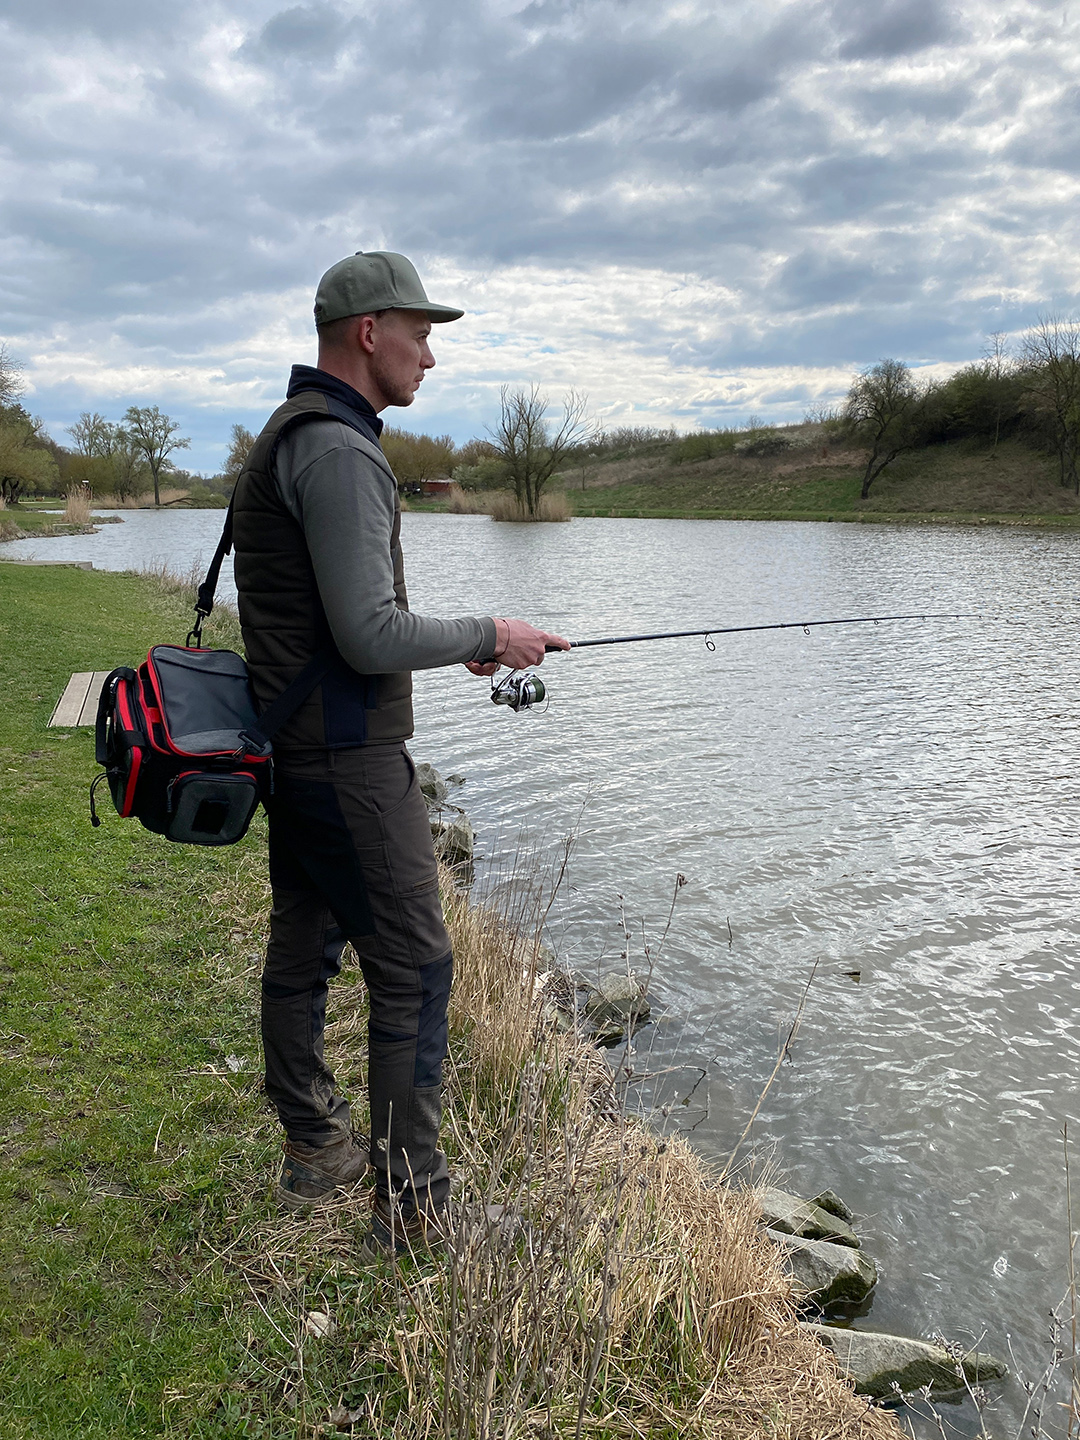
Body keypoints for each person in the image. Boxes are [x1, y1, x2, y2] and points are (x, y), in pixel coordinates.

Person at [230, 250, 568, 1249]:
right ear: (367, 330)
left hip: (302, 745)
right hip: (344, 757)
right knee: (416, 968)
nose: (431, 354)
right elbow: (369, 636)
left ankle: (313, 1144)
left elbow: (349, 622)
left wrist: (449, 643)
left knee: (306, 936)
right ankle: (414, 1210)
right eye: (420, 333)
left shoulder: (303, 432)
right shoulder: (339, 451)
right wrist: (487, 633)